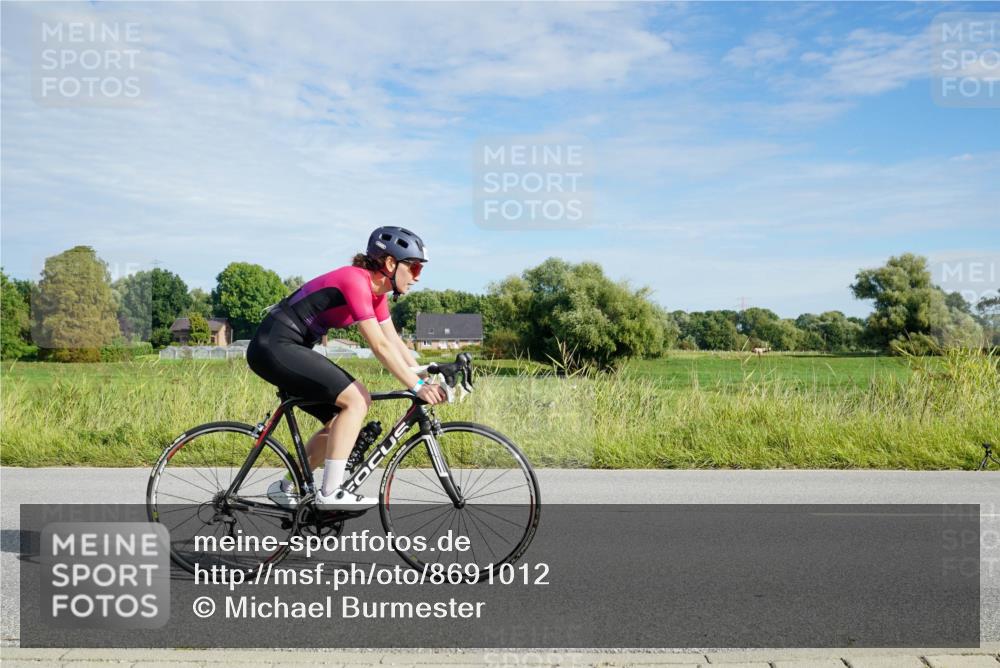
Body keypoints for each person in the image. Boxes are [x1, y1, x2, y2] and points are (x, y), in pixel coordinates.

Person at [246, 226, 446, 510]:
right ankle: (330, 492)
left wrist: (429, 374)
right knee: (357, 398)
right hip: (274, 345)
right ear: (390, 263)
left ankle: (287, 487)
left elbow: (395, 342)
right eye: (414, 267)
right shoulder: (356, 281)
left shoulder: (378, 295)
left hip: (291, 348)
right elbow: (379, 346)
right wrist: (417, 387)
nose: (418, 276)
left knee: (340, 423)